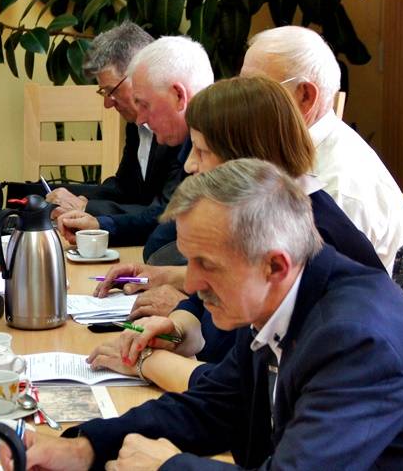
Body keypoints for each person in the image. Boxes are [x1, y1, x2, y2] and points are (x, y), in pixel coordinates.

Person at [2, 159, 403, 471]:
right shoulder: (280, 298)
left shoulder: (356, 340)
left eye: (207, 265)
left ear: (275, 265)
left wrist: (168, 467)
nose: (191, 282)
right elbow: (215, 406)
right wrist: (85, 447)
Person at [91, 77, 383, 371]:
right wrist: (176, 328)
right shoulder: (263, 210)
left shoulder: (308, 235)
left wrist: (148, 362)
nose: (190, 165)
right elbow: (203, 302)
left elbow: (239, 376)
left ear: (246, 158)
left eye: (201, 151)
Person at [240, 25, 403, 273]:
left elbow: (317, 286)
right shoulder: (290, 153)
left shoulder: (337, 188)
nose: (241, 101)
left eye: (254, 89)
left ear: (305, 96)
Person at [56, 36, 213, 248]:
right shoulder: (189, 132)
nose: (140, 120)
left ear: (178, 95)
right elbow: (128, 191)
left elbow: (163, 223)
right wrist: (96, 219)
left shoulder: (209, 136)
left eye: (145, 105)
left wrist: (96, 217)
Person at [44, 22, 182, 217]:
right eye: (104, 92)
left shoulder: (182, 127)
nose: (107, 103)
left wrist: (85, 208)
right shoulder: (135, 125)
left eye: (112, 91)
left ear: (141, 77)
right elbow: (124, 187)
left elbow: (165, 212)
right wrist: (80, 199)